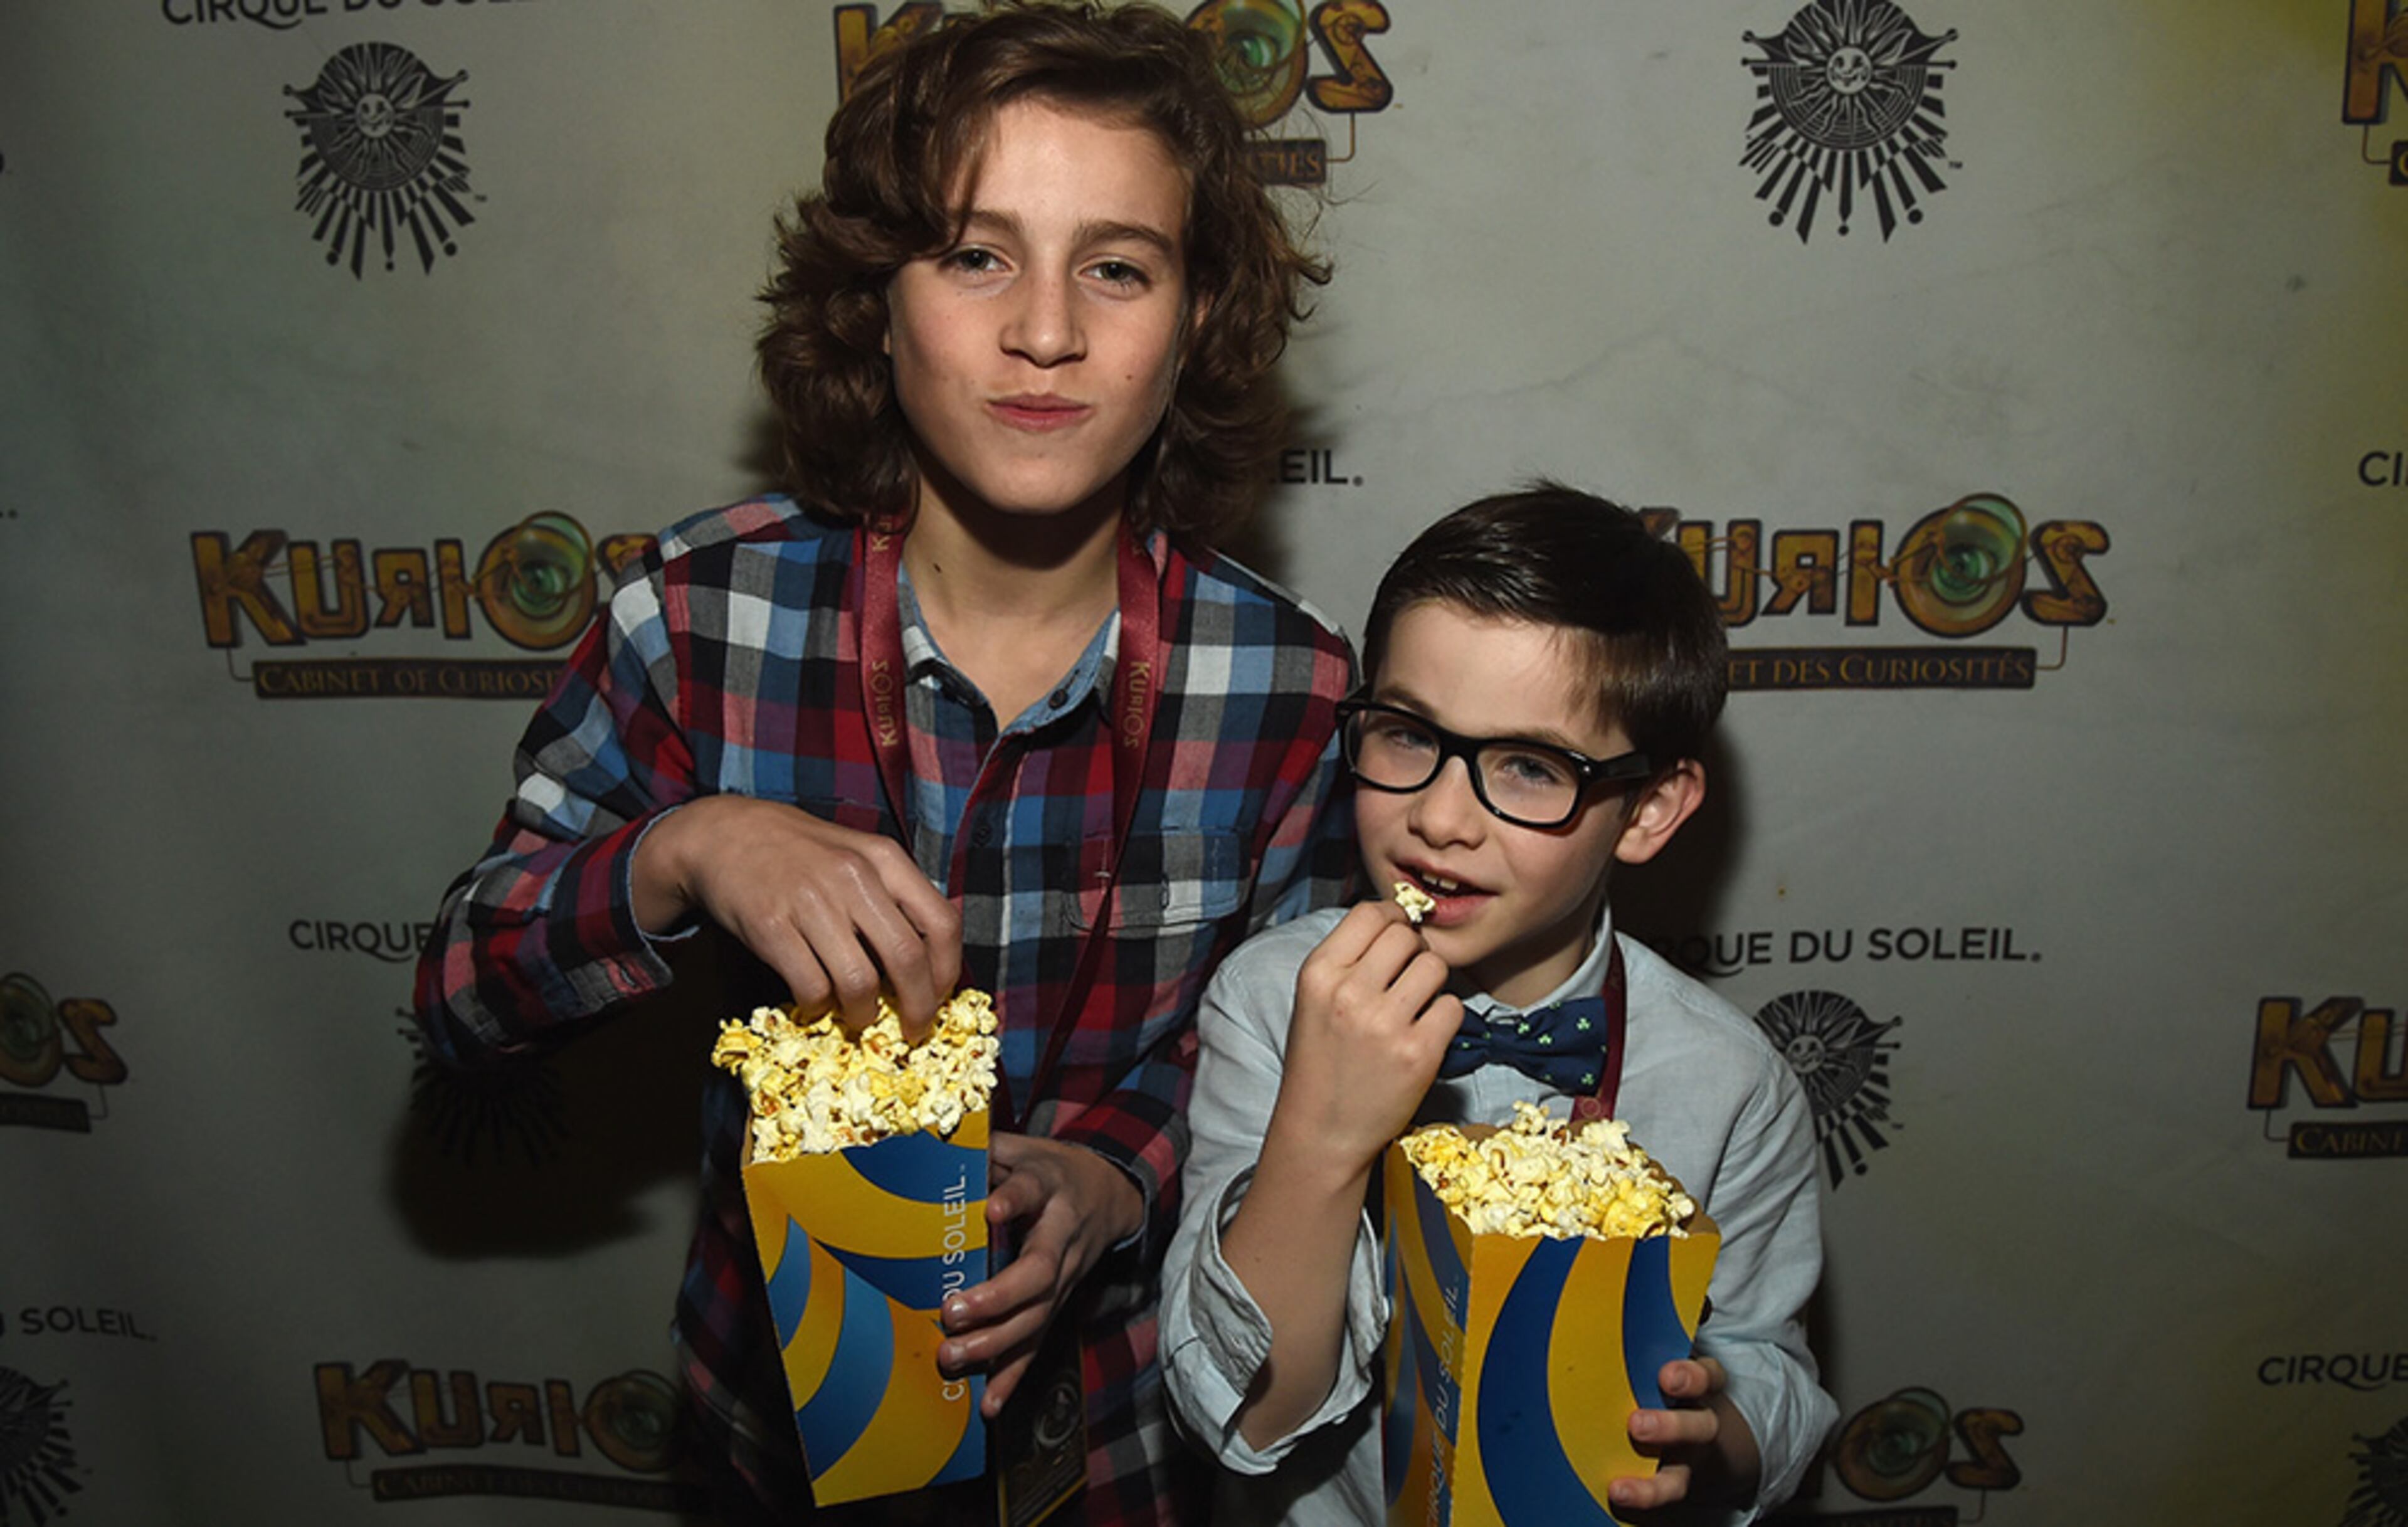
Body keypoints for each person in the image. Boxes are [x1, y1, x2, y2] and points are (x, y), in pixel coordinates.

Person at [411, 5, 1355, 1524]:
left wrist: (1116, 1176)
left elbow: (1288, 1071)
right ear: (875, 301)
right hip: (774, 1442)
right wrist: (685, 850)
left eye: (1117, 266)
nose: (1044, 329)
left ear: (1193, 322)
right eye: (976, 254)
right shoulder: (696, 620)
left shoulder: (1293, 689)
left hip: (1125, 1451)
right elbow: (462, 997)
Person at [1159, 485, 1837, 1524]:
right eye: (1405, 734)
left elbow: (1768, 1364)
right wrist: (1323, 1136)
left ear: (1649, 810)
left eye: (1529, 768)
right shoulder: (1270, 997)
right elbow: (1245, 1420)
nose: (1437, 817)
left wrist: (1722, 1435)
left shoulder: (1730, 1081)